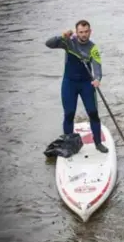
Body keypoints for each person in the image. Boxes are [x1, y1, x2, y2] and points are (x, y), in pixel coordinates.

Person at [45, 19, 108, 153]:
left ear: (90, 32)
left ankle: (98, 143)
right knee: (69, 114)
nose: (84, 35)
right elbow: (48, 44)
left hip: (86, 84)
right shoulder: (68, 42)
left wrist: (97, 79)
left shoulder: (93, 48)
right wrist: (62, 36)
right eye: (81, 32)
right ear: (76, 32)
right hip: (69, 84)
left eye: (86, 32)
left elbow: (97, 68)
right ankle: (68, 144)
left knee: (93, 113)